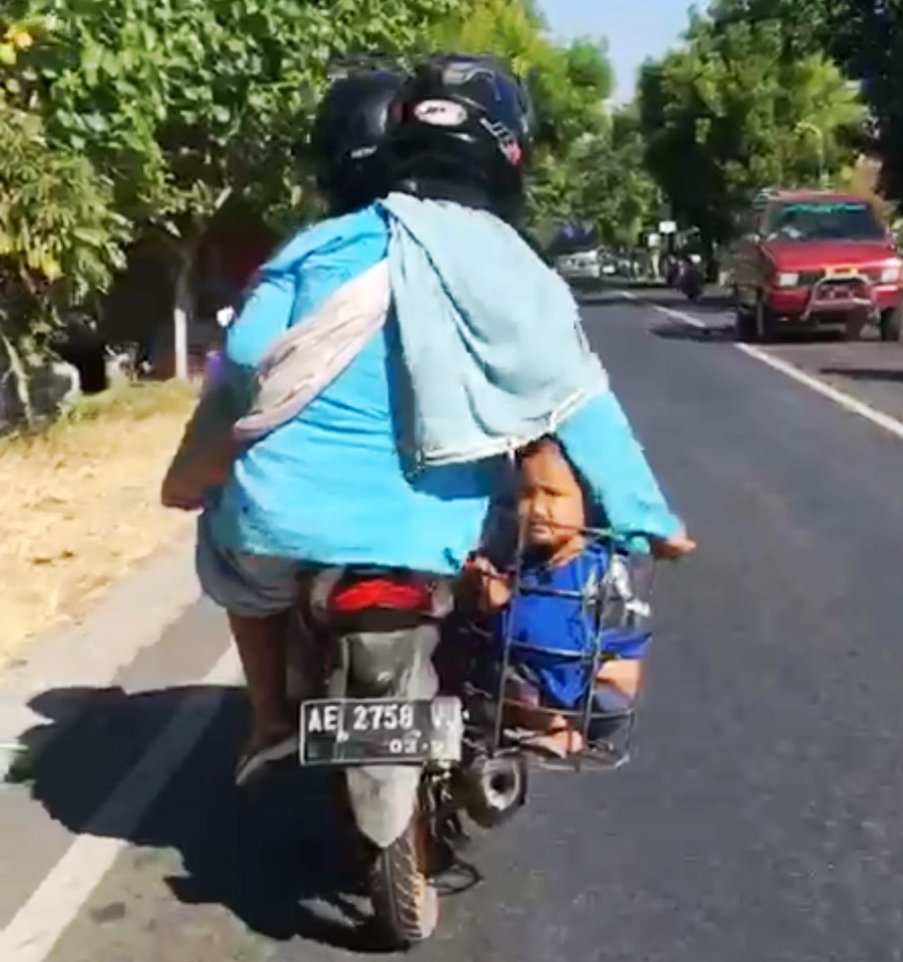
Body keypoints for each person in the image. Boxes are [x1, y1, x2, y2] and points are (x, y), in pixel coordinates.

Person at [162, 54, 694, 787]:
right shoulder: (514, 264)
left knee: (233, 562)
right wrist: (648, 517)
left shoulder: (317, 247)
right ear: (510, 153)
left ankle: (269, 721)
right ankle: (512, 709)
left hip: (281, 528)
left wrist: (189, 478)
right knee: (516, 554)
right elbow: (579, 401)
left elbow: (246, 359)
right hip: (437, 540)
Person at [463, 437, 693, 757]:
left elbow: (548, 637)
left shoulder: (585, 568)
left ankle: (557, 729)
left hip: (594, 695)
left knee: (498, 668)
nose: (538, 508)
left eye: (553, 494)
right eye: (527, 494)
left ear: (588, 502)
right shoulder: (546, 559)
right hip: (594, 685)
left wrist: (503, 604)